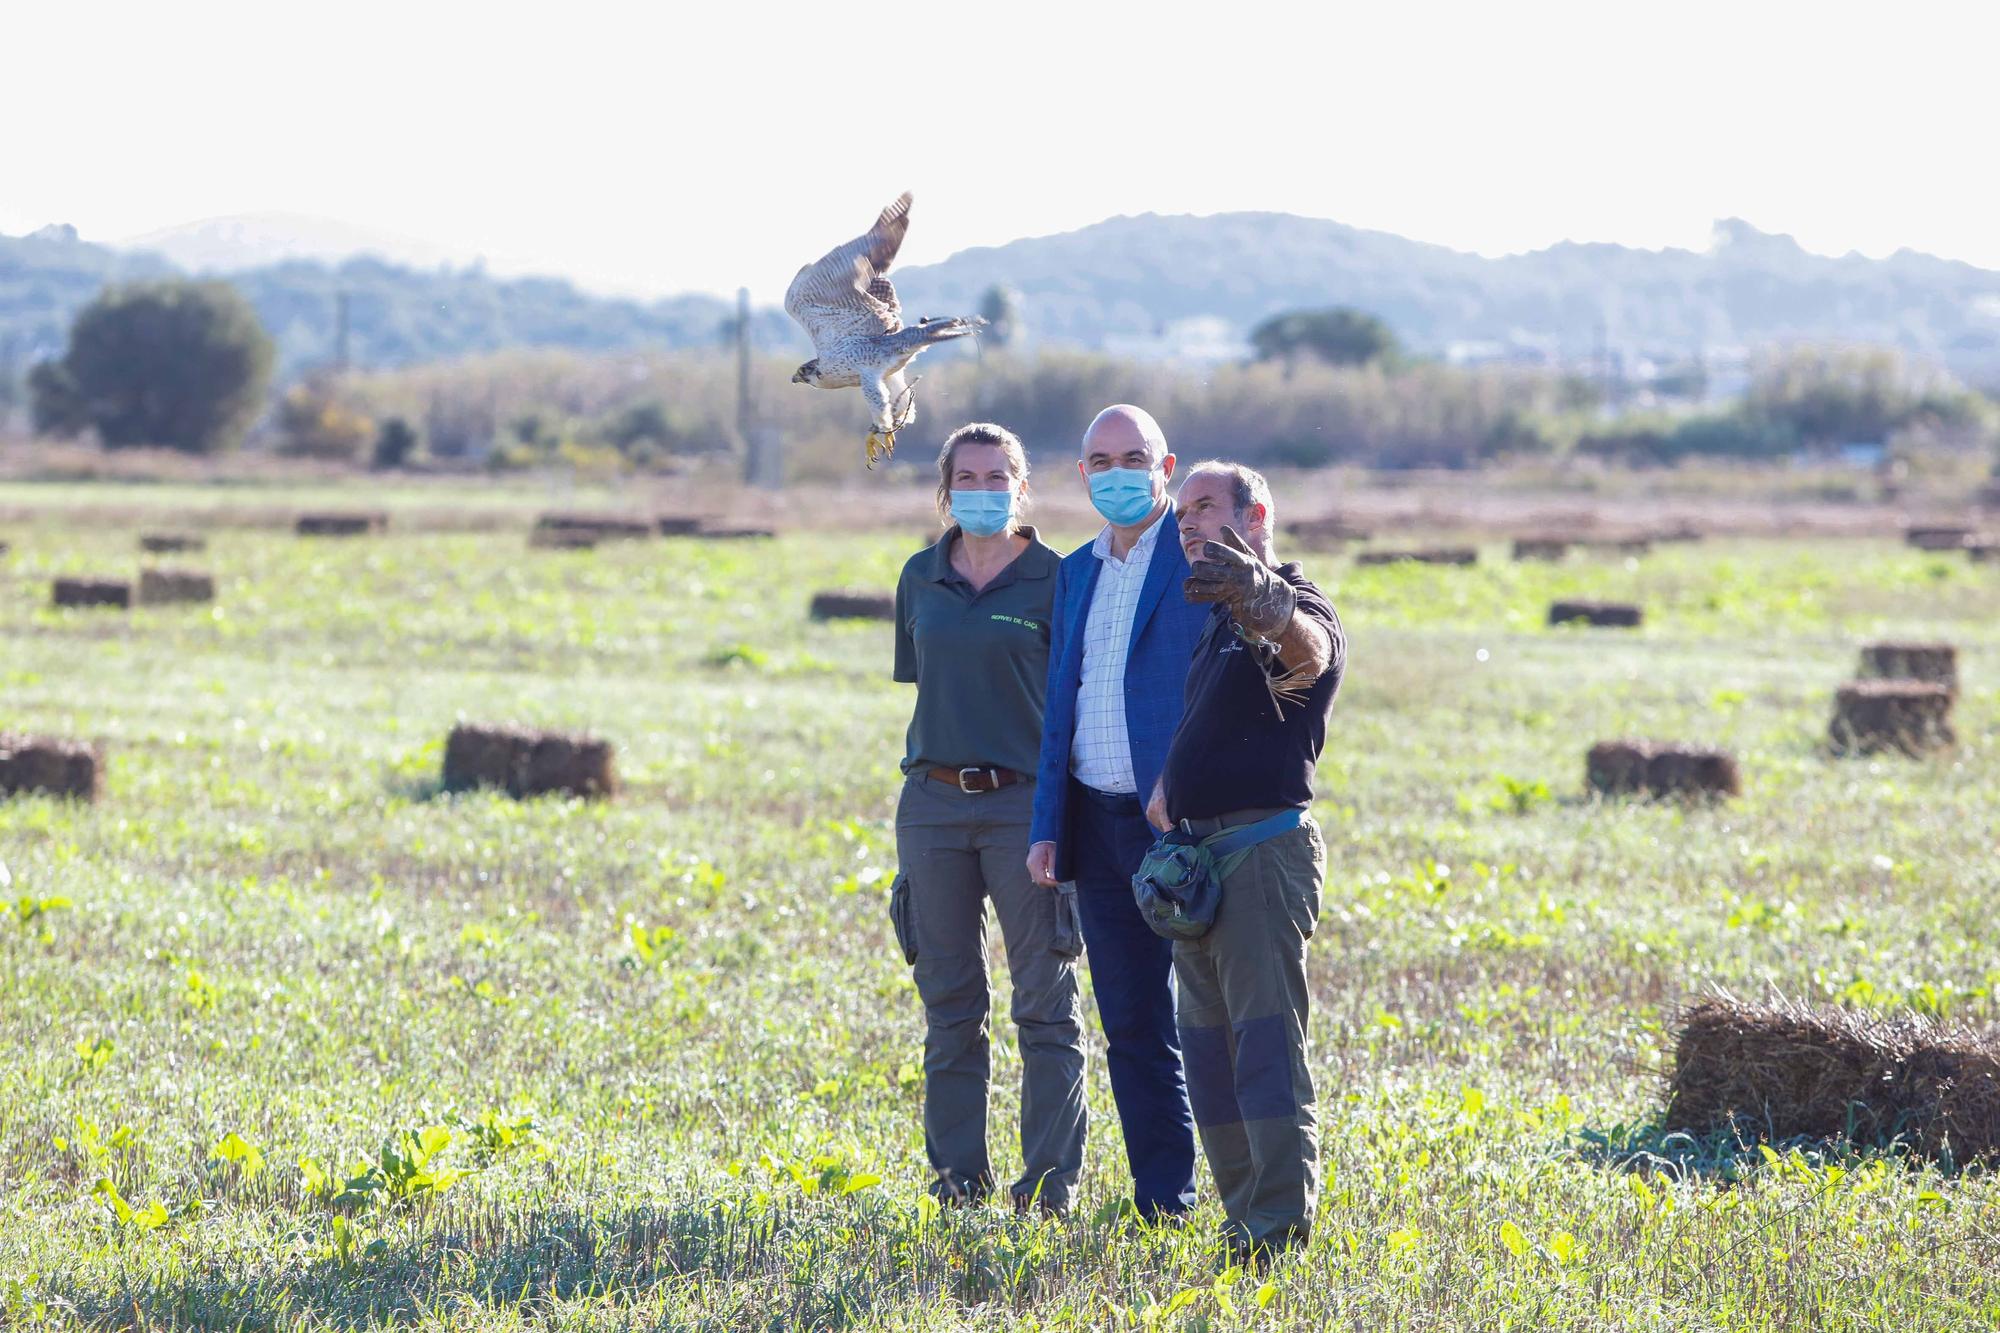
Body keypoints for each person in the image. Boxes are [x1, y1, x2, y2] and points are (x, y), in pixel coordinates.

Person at [1147, 460, 1346, 1263]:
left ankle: (1277, 1233)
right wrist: (1172, 781)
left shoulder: (1293, 600)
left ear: (1255, 513)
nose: (1188, 521)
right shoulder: (1210, 616)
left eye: (1205, 507)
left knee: (1264, 1050)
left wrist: (1265, 601)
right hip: (1198, 861)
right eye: (1181, 510)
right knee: (1210, 1057)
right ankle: (1241, 1224)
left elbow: (1310, 653)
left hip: (1261, 858)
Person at [890, 422, 1086, 1214]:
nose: (982, 488)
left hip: (1024, 806)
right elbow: (923, 680)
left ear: (1022, 484)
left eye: (997, 474)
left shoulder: (1057, 579)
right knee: (950, 1007)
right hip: (932, 804)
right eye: (965, 477)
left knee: (1045, 1004)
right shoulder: (918, 576)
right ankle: (957, 1186)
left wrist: (1056, 815)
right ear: (945, 489)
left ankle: (1049, 1188)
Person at [1025, 404, 1209, 1222]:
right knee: (1132, 1022)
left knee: (1214, 1017)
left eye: (1136, 456)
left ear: (1166, 468)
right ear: (1082, 475)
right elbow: (1058, 709)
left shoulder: (1201, 559)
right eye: (1102, 459)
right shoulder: (1076, 571)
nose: (1119, 471)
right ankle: (1161, 1200)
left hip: (1182, 829)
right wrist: (1045, 826)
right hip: (1095, 827)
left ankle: (1249, 1192)